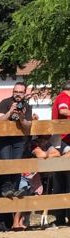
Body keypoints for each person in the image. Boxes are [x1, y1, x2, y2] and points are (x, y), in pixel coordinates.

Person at [0, 82, 31, 232]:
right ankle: (3, 220)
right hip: (4, 140)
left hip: (18, 141)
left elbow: (27, 126)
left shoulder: (27, 106)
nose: (18, 94)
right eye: (16, 91)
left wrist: (21, 117)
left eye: (21, 92)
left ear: (24, 93)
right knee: (6, 167)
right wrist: (11, 111)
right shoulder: (5, 103)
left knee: (15, 169)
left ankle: (13, 220)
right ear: (12, 91)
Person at [48, 85, 70, 226]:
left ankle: (61, 217)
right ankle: (63, 217)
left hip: (61, 141)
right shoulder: (64, 97)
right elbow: (63, 110)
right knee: (65, 181)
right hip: (64, 141)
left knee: (61, 181)